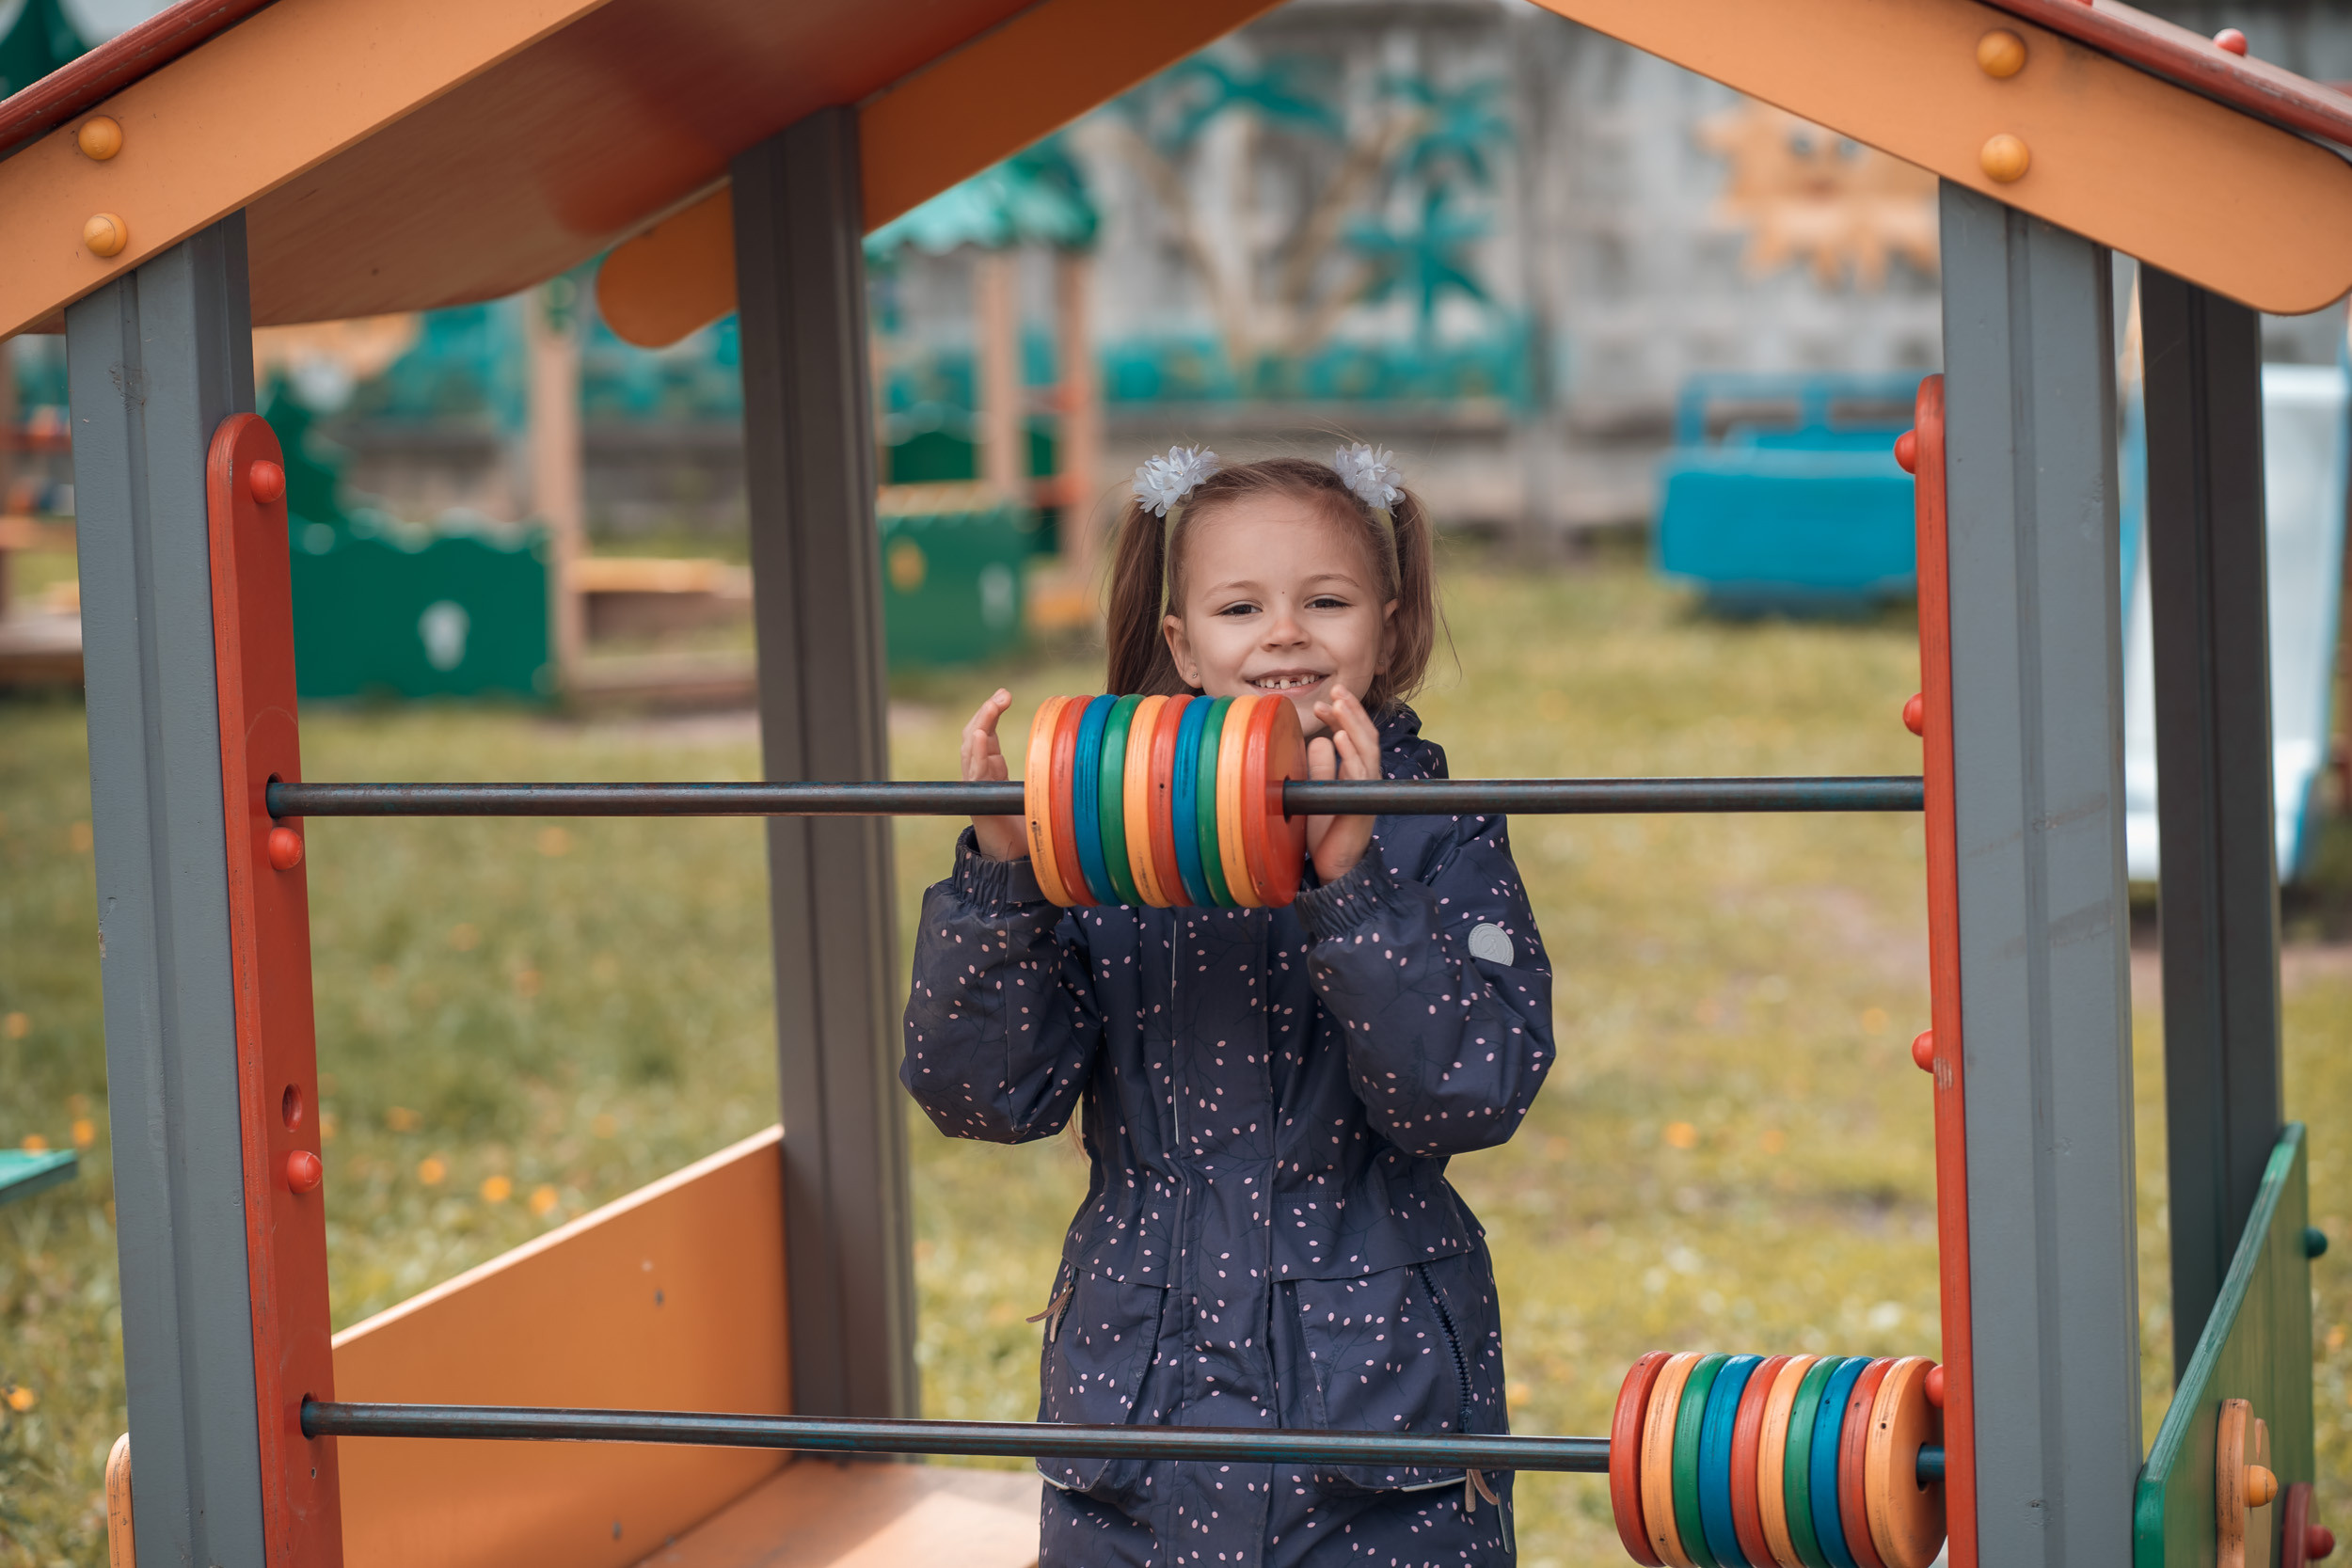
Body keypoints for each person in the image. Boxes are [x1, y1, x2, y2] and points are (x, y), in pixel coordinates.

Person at [901, 445, 1555, 1567]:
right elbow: (986, 1093)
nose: (1284, 632)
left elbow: (1468, 1092)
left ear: (1388, 628)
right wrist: (1005, 879)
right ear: (1181, 643)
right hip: (1137, 1397)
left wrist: (1352, 890)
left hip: (1374, 1410)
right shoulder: (1101, 832)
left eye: (1327, 600)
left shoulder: (1436, 827)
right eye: (1241, 604)